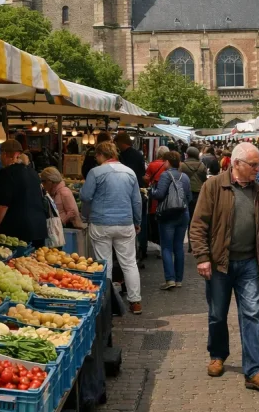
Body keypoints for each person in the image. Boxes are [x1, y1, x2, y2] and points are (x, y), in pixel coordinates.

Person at [190, 142, 259, 392]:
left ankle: (254, 371)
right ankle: (218, 355)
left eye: (258, 164)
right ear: (236, 164)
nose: (257, 169)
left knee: (251, 314)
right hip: (220, 263)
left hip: (249, 263)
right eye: (253, 165)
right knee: (218, 314)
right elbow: (198, 225)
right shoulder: (214, 186)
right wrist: (202, 257)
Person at [80, 141, 142, 314]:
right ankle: (135, 301)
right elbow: (137, 201)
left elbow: (85, 196)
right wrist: (137, 221)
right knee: (129, 263)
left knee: (104, 263)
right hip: (125, 222)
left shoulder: (96, 172)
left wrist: (85, 216)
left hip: (101, 223)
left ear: (100, 155)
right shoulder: (130, 173)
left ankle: (107, 303)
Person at [0, 139, 48, 246]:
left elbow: (2, 205)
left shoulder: (7, 173)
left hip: (18, 231)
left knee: (17, 261)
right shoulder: (32, 172)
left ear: (4, 154)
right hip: (39, 228)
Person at [152, 151, 191, 290]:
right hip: (183, 214)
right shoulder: (185, 177)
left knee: (167, 248)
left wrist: (151, 190)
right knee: (179, 247)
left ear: (167, 162)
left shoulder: (165, 175)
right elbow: (189, 197)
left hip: (168, 215)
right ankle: (179, 279)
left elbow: (159, 194)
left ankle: (170, 279)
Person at [115, 131, 147, 265]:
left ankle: (126, 253)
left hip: (123, 192)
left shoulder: (121, 157)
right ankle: (140, 249)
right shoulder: (139, 155)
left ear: (121, 143)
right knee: (138, 222)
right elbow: (142, 173)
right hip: (138, 190)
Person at [180, 145, 207, 251]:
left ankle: (186, 241)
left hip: (186, 193)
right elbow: (204, 179)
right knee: (196, 218)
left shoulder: (182, 165)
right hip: (198, 194)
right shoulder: (201, 165)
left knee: (186, 217)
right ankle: (194, 243)